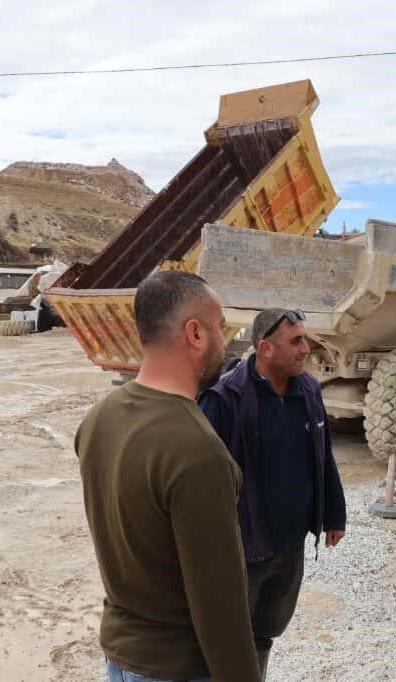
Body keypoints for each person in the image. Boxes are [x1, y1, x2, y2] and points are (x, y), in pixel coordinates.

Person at [74, 270, 261, 682]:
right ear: (195, 334)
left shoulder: (99, 419)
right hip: (176, 669)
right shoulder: (198, 451)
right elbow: (219, 605)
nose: (224, 340)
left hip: (121, 659)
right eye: (219, 328)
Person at [199, 307, 347, 680]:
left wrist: (334, 513)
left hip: (289, 543)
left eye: (305, 339)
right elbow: (202, 481)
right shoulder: (225, 398)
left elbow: (322, 453)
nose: (306, 348)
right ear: (266, 348)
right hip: (244, 546)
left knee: (266, 631)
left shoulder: (309, 390)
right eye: (296, 341)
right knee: (230, 637)